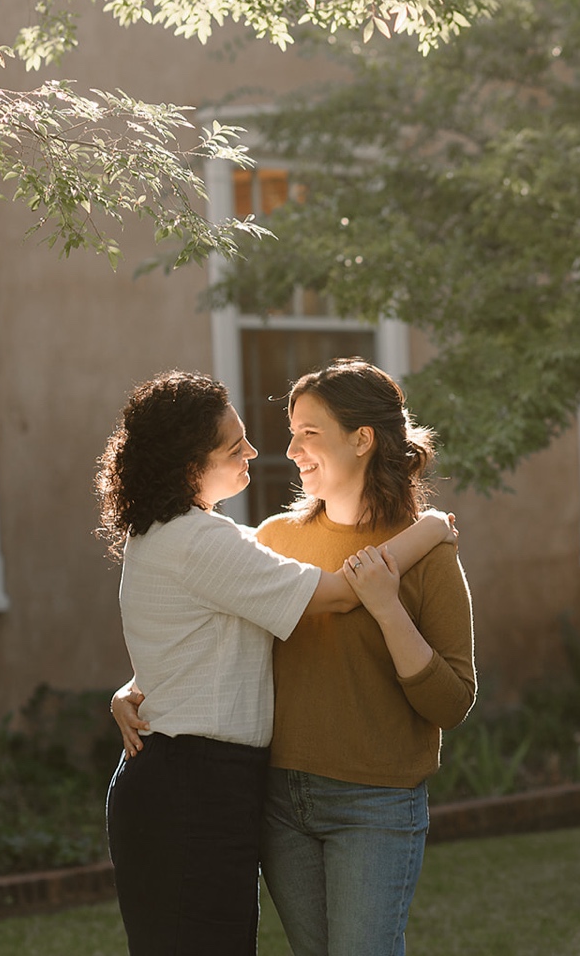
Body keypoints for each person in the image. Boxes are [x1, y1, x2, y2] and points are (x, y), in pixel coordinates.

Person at [95, 369, 454, 956]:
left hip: (191, 779)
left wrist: (136, 686)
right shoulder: (206, 540)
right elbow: (339, 593)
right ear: (190, 462)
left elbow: (196, 635)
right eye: (234, 445)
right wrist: (432, 528)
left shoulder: (167, 533)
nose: (256, 452)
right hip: (195, 785)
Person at [256, 358, 476, 956]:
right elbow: (214, 629)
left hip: (375, 803)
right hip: (279, 797)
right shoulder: (274, 540)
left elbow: (452, 701)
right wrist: (138, 684)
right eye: (293, 431)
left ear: (362, 439)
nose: (292, 448)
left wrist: (388, 609)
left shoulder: (431, 554)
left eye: (310, 432)